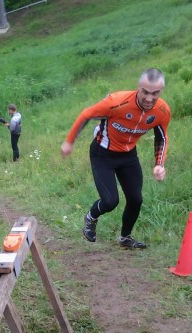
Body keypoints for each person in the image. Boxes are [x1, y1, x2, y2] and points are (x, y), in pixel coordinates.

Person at [60, 68, 171, 249]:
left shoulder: (162, 111)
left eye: (155, 93)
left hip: (128, 156)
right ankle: (90, 218)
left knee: (136, 199)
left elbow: (162, 138)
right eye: (145, 92)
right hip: (102, 154)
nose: (149, 98)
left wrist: (159, 164)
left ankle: (125, 238)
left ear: (161, 91)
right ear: (138, 87)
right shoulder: (117, 102)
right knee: (110, 201)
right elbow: (87, 114)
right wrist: (69, 141)